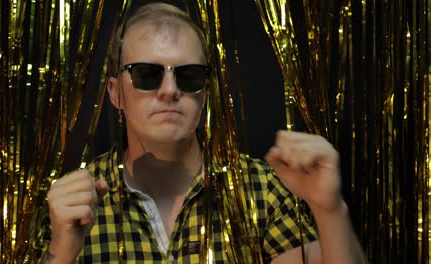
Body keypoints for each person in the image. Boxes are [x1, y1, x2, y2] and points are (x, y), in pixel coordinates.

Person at [40, 2, 366, 263]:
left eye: (189, 75)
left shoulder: (261, 189)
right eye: (146, 74)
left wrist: (330, 209)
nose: (169, 91)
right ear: (114, 93)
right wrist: (61, 254)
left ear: (206, 91)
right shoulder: (72, 205)